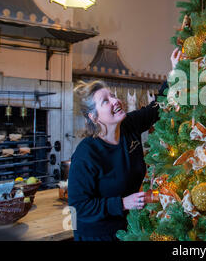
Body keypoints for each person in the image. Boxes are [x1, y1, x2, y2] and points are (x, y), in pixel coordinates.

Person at [68, 48, 181, 241]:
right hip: (97, 235)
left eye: (112, 95)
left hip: (129, 229)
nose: (115, 101)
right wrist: (122, 203)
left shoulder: (128, 125)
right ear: (93, 117)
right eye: (106, 101)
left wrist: (174, 71)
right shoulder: (87, 153)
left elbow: (156, 109)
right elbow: (78, 208)